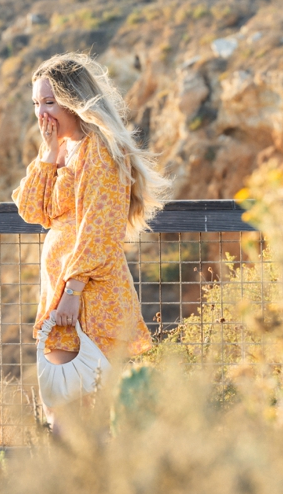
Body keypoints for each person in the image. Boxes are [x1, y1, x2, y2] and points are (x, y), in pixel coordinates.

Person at [12, 52, 167, 374]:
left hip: (88, 290)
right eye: (36, 104)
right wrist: (50, 153)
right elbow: (31, 210)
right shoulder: (61, 149)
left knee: (84, 401)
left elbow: (101, 225)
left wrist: (72, 290)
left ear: (74, 101)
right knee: (64, 397)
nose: (41, 113)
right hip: (62, 283)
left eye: (49, 102)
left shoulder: (99, 148)